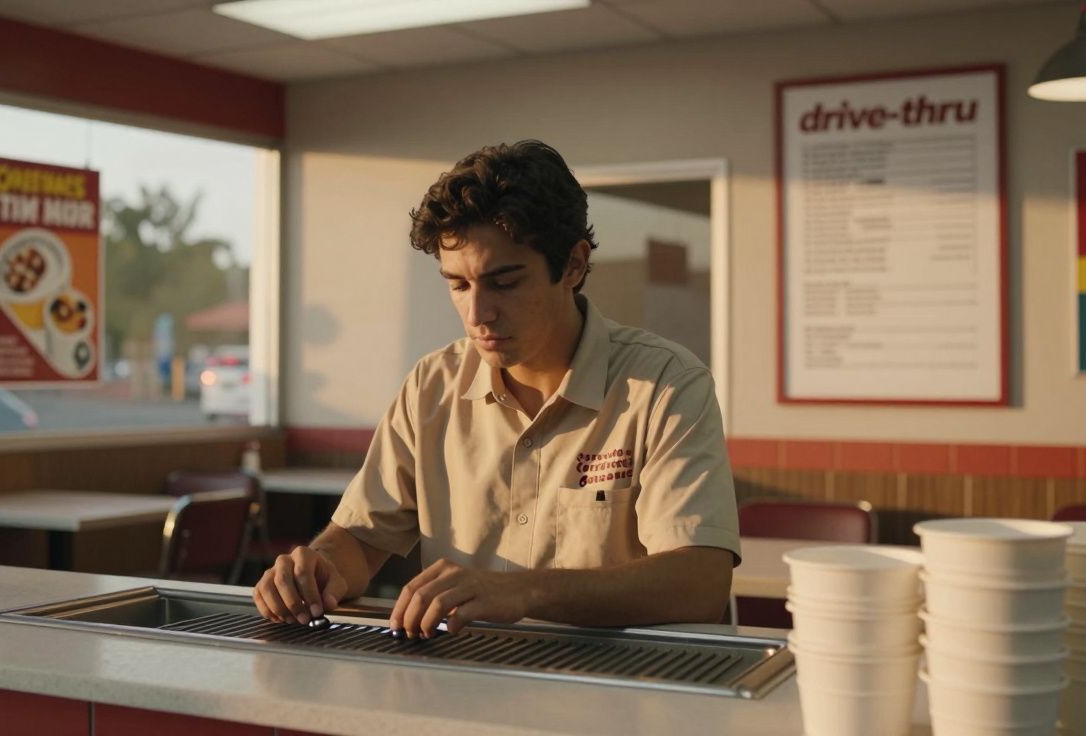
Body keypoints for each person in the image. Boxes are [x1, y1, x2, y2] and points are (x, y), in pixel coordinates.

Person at [252, 140, 739, 638]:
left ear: (573, 265)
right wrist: (318, 569)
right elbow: (359, 537)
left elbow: (699, 583)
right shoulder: (431, 386)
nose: (477, 314)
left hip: (619, 695)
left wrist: (524, 591)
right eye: (458, 285)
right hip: (464, 684)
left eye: (503, 283)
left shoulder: (665, 384)